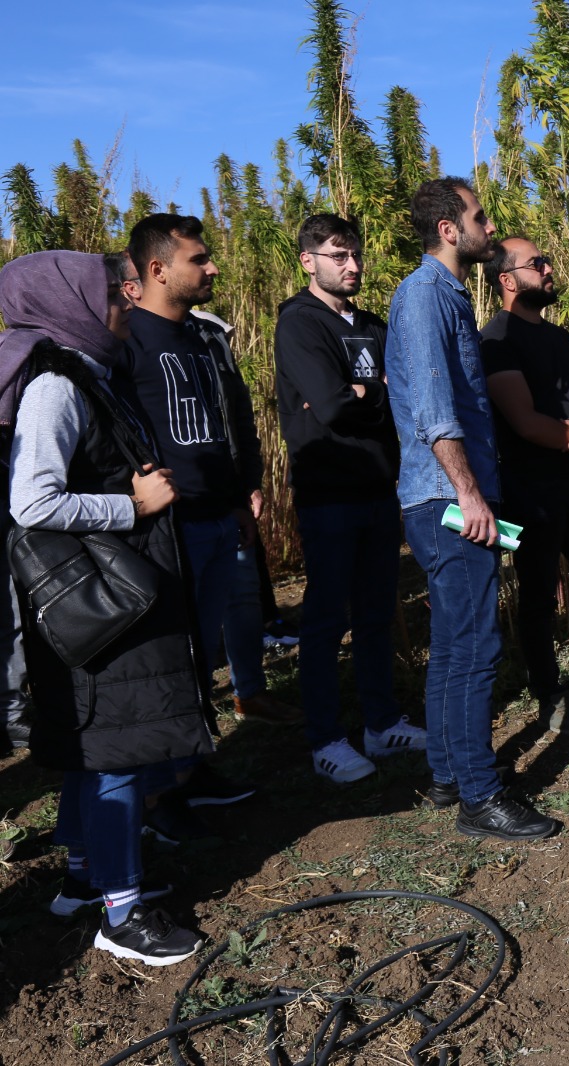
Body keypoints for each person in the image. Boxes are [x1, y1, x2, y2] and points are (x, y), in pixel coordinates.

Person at [4, 250, 211, 964]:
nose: (127, 296)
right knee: (116, 749)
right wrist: (132, 502)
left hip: (117, 593)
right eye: (111, 288)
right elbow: (31, 501)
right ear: (73, 302)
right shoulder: (55, 386)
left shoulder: (91, 372)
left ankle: (84, 879)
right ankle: (122, 914)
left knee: (102, 750)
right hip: (100, 601)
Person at [387, 177, 557, 840]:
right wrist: (469, 492)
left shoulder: (442, 294)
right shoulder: (427, 294)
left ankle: (449, 774)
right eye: (480, 217)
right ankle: (481, 798)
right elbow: (433, 409)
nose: (490, 227)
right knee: (476, 645)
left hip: (441, 494)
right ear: (451, 230)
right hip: (447, 497)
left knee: (456, 645)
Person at [122, 216, 300, 727]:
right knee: (179, 650)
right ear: (157, 269)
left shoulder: (202, 339)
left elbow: (229, 420)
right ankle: (173, 777)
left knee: (218, 633)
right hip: (173, 528)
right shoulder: (127, 342)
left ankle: (200, 756)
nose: (213, 267)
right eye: (198, 259)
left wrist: (241, 493)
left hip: (221, 517)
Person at [275, 213, 423, 783]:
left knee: (375, 613)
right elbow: (332, 408)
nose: (354, 266)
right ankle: (326, 738)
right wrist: (367, 392)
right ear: (309, 261)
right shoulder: (300, 324)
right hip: (329, 492)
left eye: (356, 254)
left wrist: (365, 394)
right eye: (339, 255)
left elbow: (390, 395)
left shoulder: (373, 324)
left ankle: (381, 723)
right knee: (325, 618)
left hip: (377, 487)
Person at [482, 237, 569, 737]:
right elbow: (522, 421)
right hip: (531, 492)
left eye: (546, 261)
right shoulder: (496, 340)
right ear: (507, 279)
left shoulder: (562, 338)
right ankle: (550, 698)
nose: (547, 268)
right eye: (536, 263)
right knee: (539, 599)